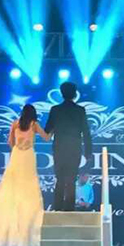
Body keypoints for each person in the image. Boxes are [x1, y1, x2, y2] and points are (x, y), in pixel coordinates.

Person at [0, 104, 51, 246]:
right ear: (33, 114)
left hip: (16, 156)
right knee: (27, 183)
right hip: (27, 156)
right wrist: (52, 128)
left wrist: (18, 146)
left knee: (13, 183)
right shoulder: (34, 124)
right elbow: (46, 138)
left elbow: (10, 142)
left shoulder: (15, 123)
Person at [45, 82, 92, 211]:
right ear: (75, 94)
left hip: (59, 148)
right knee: (71, 179)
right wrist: (88, 152)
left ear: (61, 93)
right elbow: (86, 132)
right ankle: (69, 209)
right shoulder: (80, 110)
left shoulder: (55, 109)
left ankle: (57, 207)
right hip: (74, 148)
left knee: (60, 178)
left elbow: (47, 129)